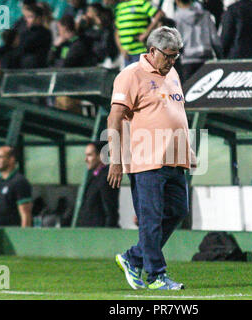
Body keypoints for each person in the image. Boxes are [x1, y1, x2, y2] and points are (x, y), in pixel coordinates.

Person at [108, 27, 195, 290]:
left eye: (176, 56)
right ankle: (156, 276)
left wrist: (188, 151)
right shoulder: (130, 75)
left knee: (178, 211)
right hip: (147, 160)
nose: (172, 61)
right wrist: (115, 160)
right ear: (152, 51)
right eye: (168, 56)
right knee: (151, 219)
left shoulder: (173, 73)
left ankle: (133, 257)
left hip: (175, 159)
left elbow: (176, 113)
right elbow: (114, 118)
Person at [174, 0, 223, 81]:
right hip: (206, 59)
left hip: (187, 60)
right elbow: (215, 39)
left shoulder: (176, 18)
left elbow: (176, 42)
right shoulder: (206, 15)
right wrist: (220, 57)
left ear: (177, 1)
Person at [0, 146, 33, 227]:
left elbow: (25, 215)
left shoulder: (19, 181)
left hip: (10, 234)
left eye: (0, 157)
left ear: (11, 160)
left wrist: (23, 236)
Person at [77, 141, 120, 227]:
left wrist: (106, 234)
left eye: (89, 155)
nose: (86, 159)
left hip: (98, 234)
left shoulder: (106, 177)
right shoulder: (95, 176)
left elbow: (110, 210)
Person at [114, 0, 165, 66]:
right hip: (127, 55)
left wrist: (146, 34)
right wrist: (121, 50)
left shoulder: (140, 3)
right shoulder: (119, 8)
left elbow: (159, 14)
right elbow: (117, 31)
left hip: (141, 51)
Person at [18, 4, 52, 68]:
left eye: (30, 17)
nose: (26, 20)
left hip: (36, 69)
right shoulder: (26, 31)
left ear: (39, 18)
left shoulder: (43, 33)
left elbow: (25, 46)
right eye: (26, 17)